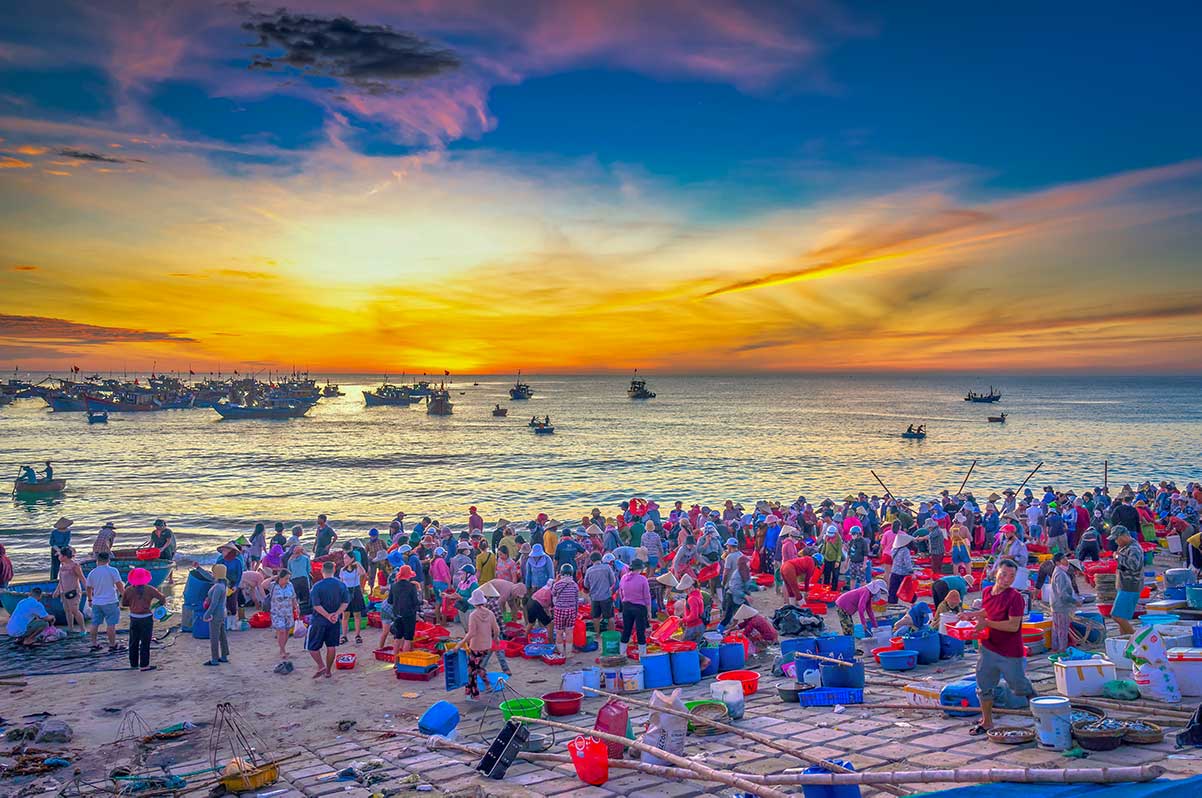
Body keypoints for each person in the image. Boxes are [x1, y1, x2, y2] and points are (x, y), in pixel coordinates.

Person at [964, 559, 1036, 735]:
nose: (1007, 579)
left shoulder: (1015, 597)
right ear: (996, 572)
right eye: (1003, 574)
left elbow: (1013, 626)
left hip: (1010, 651)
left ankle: (1040, 707)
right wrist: (972, 614)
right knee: (984, 686)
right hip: (988, 646)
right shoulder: (987, 591)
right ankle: (987, 722)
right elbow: (988, 611)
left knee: (1018, 685)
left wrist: (986, 623)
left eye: (1011, 576)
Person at [306, 561, 350, 678]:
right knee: (331, 646)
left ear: (322, 571)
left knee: (312, 647)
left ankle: (321, 665)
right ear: (334, 570)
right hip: (334, 621)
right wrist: (336, 614)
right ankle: (328, 671)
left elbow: (316, 605)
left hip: (319, 620)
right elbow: (345, 603)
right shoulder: (341, 585)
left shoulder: (317, 586)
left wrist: (327, 615)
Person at [121, 567, 164, 671]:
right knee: (145, 642)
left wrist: (133, 604)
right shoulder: (150, 589)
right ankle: (144, 665)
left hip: (134, 617)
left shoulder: (128, 590)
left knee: (133, 642)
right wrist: (157, 605)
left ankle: (133, 664)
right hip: (146, 617)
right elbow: (162, 598)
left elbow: (124, 603)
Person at [464, 588, 500, 699]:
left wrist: (461, 643)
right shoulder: (490, 613)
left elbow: (471, 633)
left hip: (476, 646)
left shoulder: (473, 615)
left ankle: (474, 695)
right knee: (478, 666)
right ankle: (487, 685)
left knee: (472, 671)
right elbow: (496, 629)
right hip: (487, 645)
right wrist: (495, 638)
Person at [86, 550, 124, 653]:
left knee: (95, 624)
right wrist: (125, 596)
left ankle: (94, 644)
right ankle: (112, 644)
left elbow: (88, 587)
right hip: (110, 601)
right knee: (111, 624)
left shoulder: (92, 573)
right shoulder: (113, 570)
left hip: (97, 602)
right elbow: (119, 585)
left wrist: (90, 599)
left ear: (97, 560)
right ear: (108, 560)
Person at [1110, 525, 1144, 636]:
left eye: (1117, 539)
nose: (1116, 541)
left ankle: (1135, 638)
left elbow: (1133, 565)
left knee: (1117, 616)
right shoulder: (1125, 547)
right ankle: (1124, 639)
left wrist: (1118, 557)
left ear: (1124, 536)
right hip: (1124, 585)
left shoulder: (1134, 548)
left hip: (1130, 586)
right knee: (1122, 617)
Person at [382, 565, 421, 653]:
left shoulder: (394, 586)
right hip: (409, 614)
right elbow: (416, 602)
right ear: (409, 576)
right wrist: (419, 591)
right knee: (408, 638)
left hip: (397, 614)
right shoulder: (412, 586)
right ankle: (404, 659)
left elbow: (390, 601)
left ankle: (395, 660)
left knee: (397, 637)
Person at [1050, 554, 1084, 652]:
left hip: (1057, 605)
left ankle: (1056, 648)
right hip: (1061, 606)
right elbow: (1063, 594)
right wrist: (1075, 601)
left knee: (1057, 629)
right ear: (1057, 562)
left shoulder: (1060, 572)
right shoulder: (1060, 574)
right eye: (1064, 559)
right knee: (1062, 630)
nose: (1066, 561)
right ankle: (1062, 650)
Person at [619, 559, 652, 657]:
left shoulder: (624, 578)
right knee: (640, 631)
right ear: (640, 568)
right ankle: (642, 654)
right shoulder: (643, 579)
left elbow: (621, 593)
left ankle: (622, 653)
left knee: (626, 630)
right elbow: (647, 596)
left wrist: (624, 603)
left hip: (626, 606)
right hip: (639, 607)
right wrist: (649, 611)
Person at [53, 546, 86, 635]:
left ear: (65, 556)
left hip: (74, 591)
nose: (58, 557)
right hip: (64, 591)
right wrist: (57, 590)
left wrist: (88, 590)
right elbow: (61, 580)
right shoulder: (62, 565)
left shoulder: (75, 566)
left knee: (74, 610)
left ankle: (83, 629)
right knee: (67, 610)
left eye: (60, 555)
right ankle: (70, 628)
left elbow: (82, 578)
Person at [202, 563, 231, 666]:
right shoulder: (223, 585)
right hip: (222, 613)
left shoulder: (218, 586)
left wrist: (207, 614)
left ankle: (214, 659)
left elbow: (214, 603)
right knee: (222, 635)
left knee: (214, 637)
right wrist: (199, 568)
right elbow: (209, 576)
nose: (213, 573)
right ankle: (224, 656)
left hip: (216, 614)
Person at [584, 552, 617, 635]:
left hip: (594, 597)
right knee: (610, 617)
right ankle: (612, 634)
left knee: (596, 617)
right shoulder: (607, 568)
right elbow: (613, 581)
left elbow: (586, 585)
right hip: (606, 596)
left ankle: (597, 634)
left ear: (591, 560)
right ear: (601, 559)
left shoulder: (589, 570)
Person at [550, 563, 579, 658]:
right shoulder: (575, 585)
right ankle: (569, 652)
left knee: (559, 632)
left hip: (559, 610)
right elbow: (576, 600)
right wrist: (576, 612)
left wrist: (556, 580)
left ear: (561, 573)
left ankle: (561, 652)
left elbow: (553, 595)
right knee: (569, 632)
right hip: (571, 610)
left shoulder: (557, 585)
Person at [338, 554, 368, 644]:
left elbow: (363, 573)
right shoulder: (342, 570)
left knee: (357, 614)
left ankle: (358, 635)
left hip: (356, 591)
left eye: (347, 558)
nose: (345, 560)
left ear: (352, 559)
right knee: (345, 615)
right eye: (344, 558)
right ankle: (344, 636)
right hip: (346, 592)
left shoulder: (356, 569)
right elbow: (341, 582)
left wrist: (358, 564)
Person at [269, 569, 299, 660]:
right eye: (286, 578)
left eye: (288, 578)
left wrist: (296, 607)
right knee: (281, 631)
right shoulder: (273, 585)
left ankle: (283, 648)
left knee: (286, 632)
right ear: (280, 578)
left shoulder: (290, 585)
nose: (287, 580)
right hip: (277, 613)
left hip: (288, 612)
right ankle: (282, 650)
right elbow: (262, 584)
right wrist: (274, 577)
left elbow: (293, 597)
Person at [887, 533, 916, 604]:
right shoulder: (905, 550)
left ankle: (892, 603)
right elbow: (907, 563)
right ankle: (912, 600)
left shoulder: (894, 549)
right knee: (908, 589)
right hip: (903, 573)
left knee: (893, 589)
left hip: (894, 571)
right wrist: (912, 572)